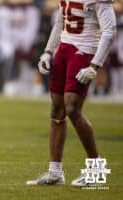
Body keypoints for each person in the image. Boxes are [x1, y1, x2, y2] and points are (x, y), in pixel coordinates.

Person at [26, 0, 116, 186]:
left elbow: (109, 31)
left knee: (72, 108)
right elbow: (61, 21)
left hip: (84, 50)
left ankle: (97, 170)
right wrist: (48, 51)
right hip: (64, 49)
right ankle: (55, 172)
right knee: (57, 111)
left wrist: (94, 65)